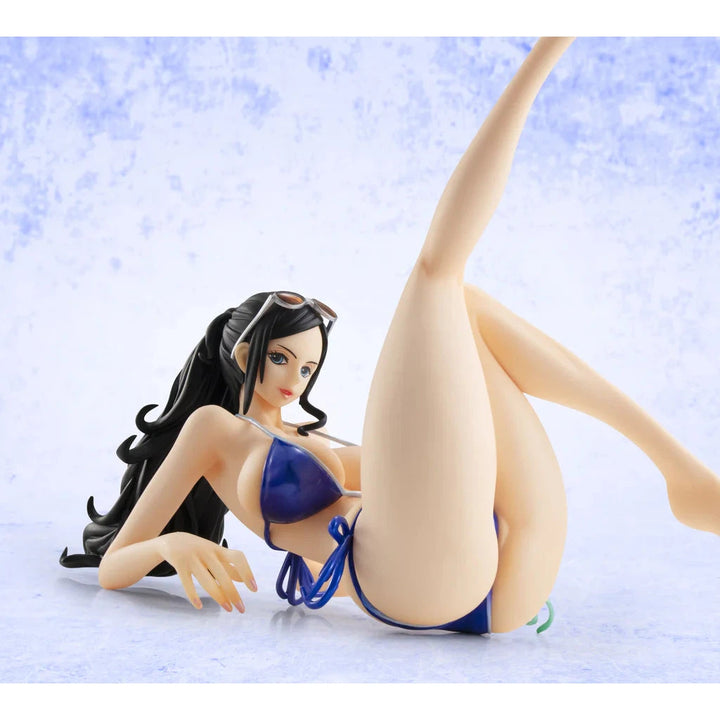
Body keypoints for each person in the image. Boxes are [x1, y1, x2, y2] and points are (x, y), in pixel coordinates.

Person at [61, 37, 720, 635]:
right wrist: (170, 544)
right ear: (243, 354)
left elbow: (416, 472)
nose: (295, 379)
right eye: (283, 359)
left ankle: (676, 470)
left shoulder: (311, 438)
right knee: (436, 275)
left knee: (464, 306)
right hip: (409, 582)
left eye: (308, 368)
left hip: (504, 577)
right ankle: (552, 43)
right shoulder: (215, 430)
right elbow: (117, 565)